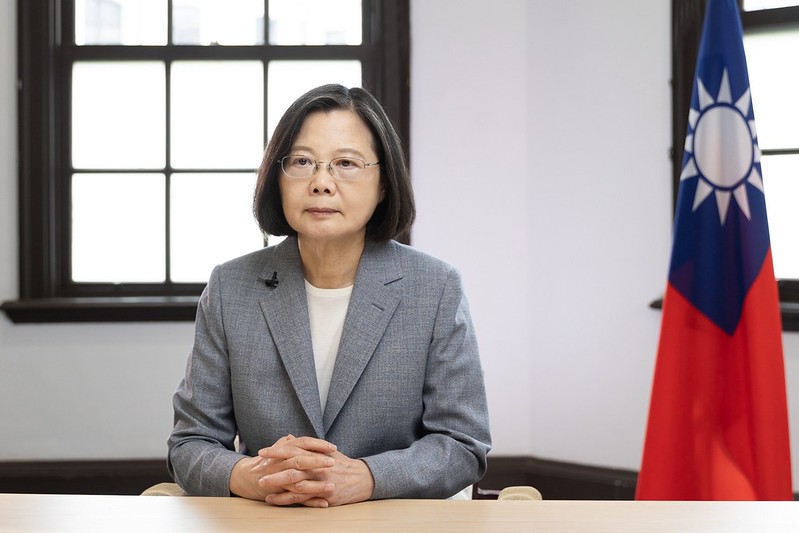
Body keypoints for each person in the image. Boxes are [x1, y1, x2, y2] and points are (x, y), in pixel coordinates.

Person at [167, 83, 491, 507]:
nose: (322, 182)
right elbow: (189, 444)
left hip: (395, 522)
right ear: (276, 179)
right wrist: (255, 476)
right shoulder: (231, 288)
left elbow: (463, 445)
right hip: (274, 521)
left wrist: (369, 478)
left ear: (383, 184)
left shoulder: (434, 287)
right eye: (302, 162)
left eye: (345, 163)